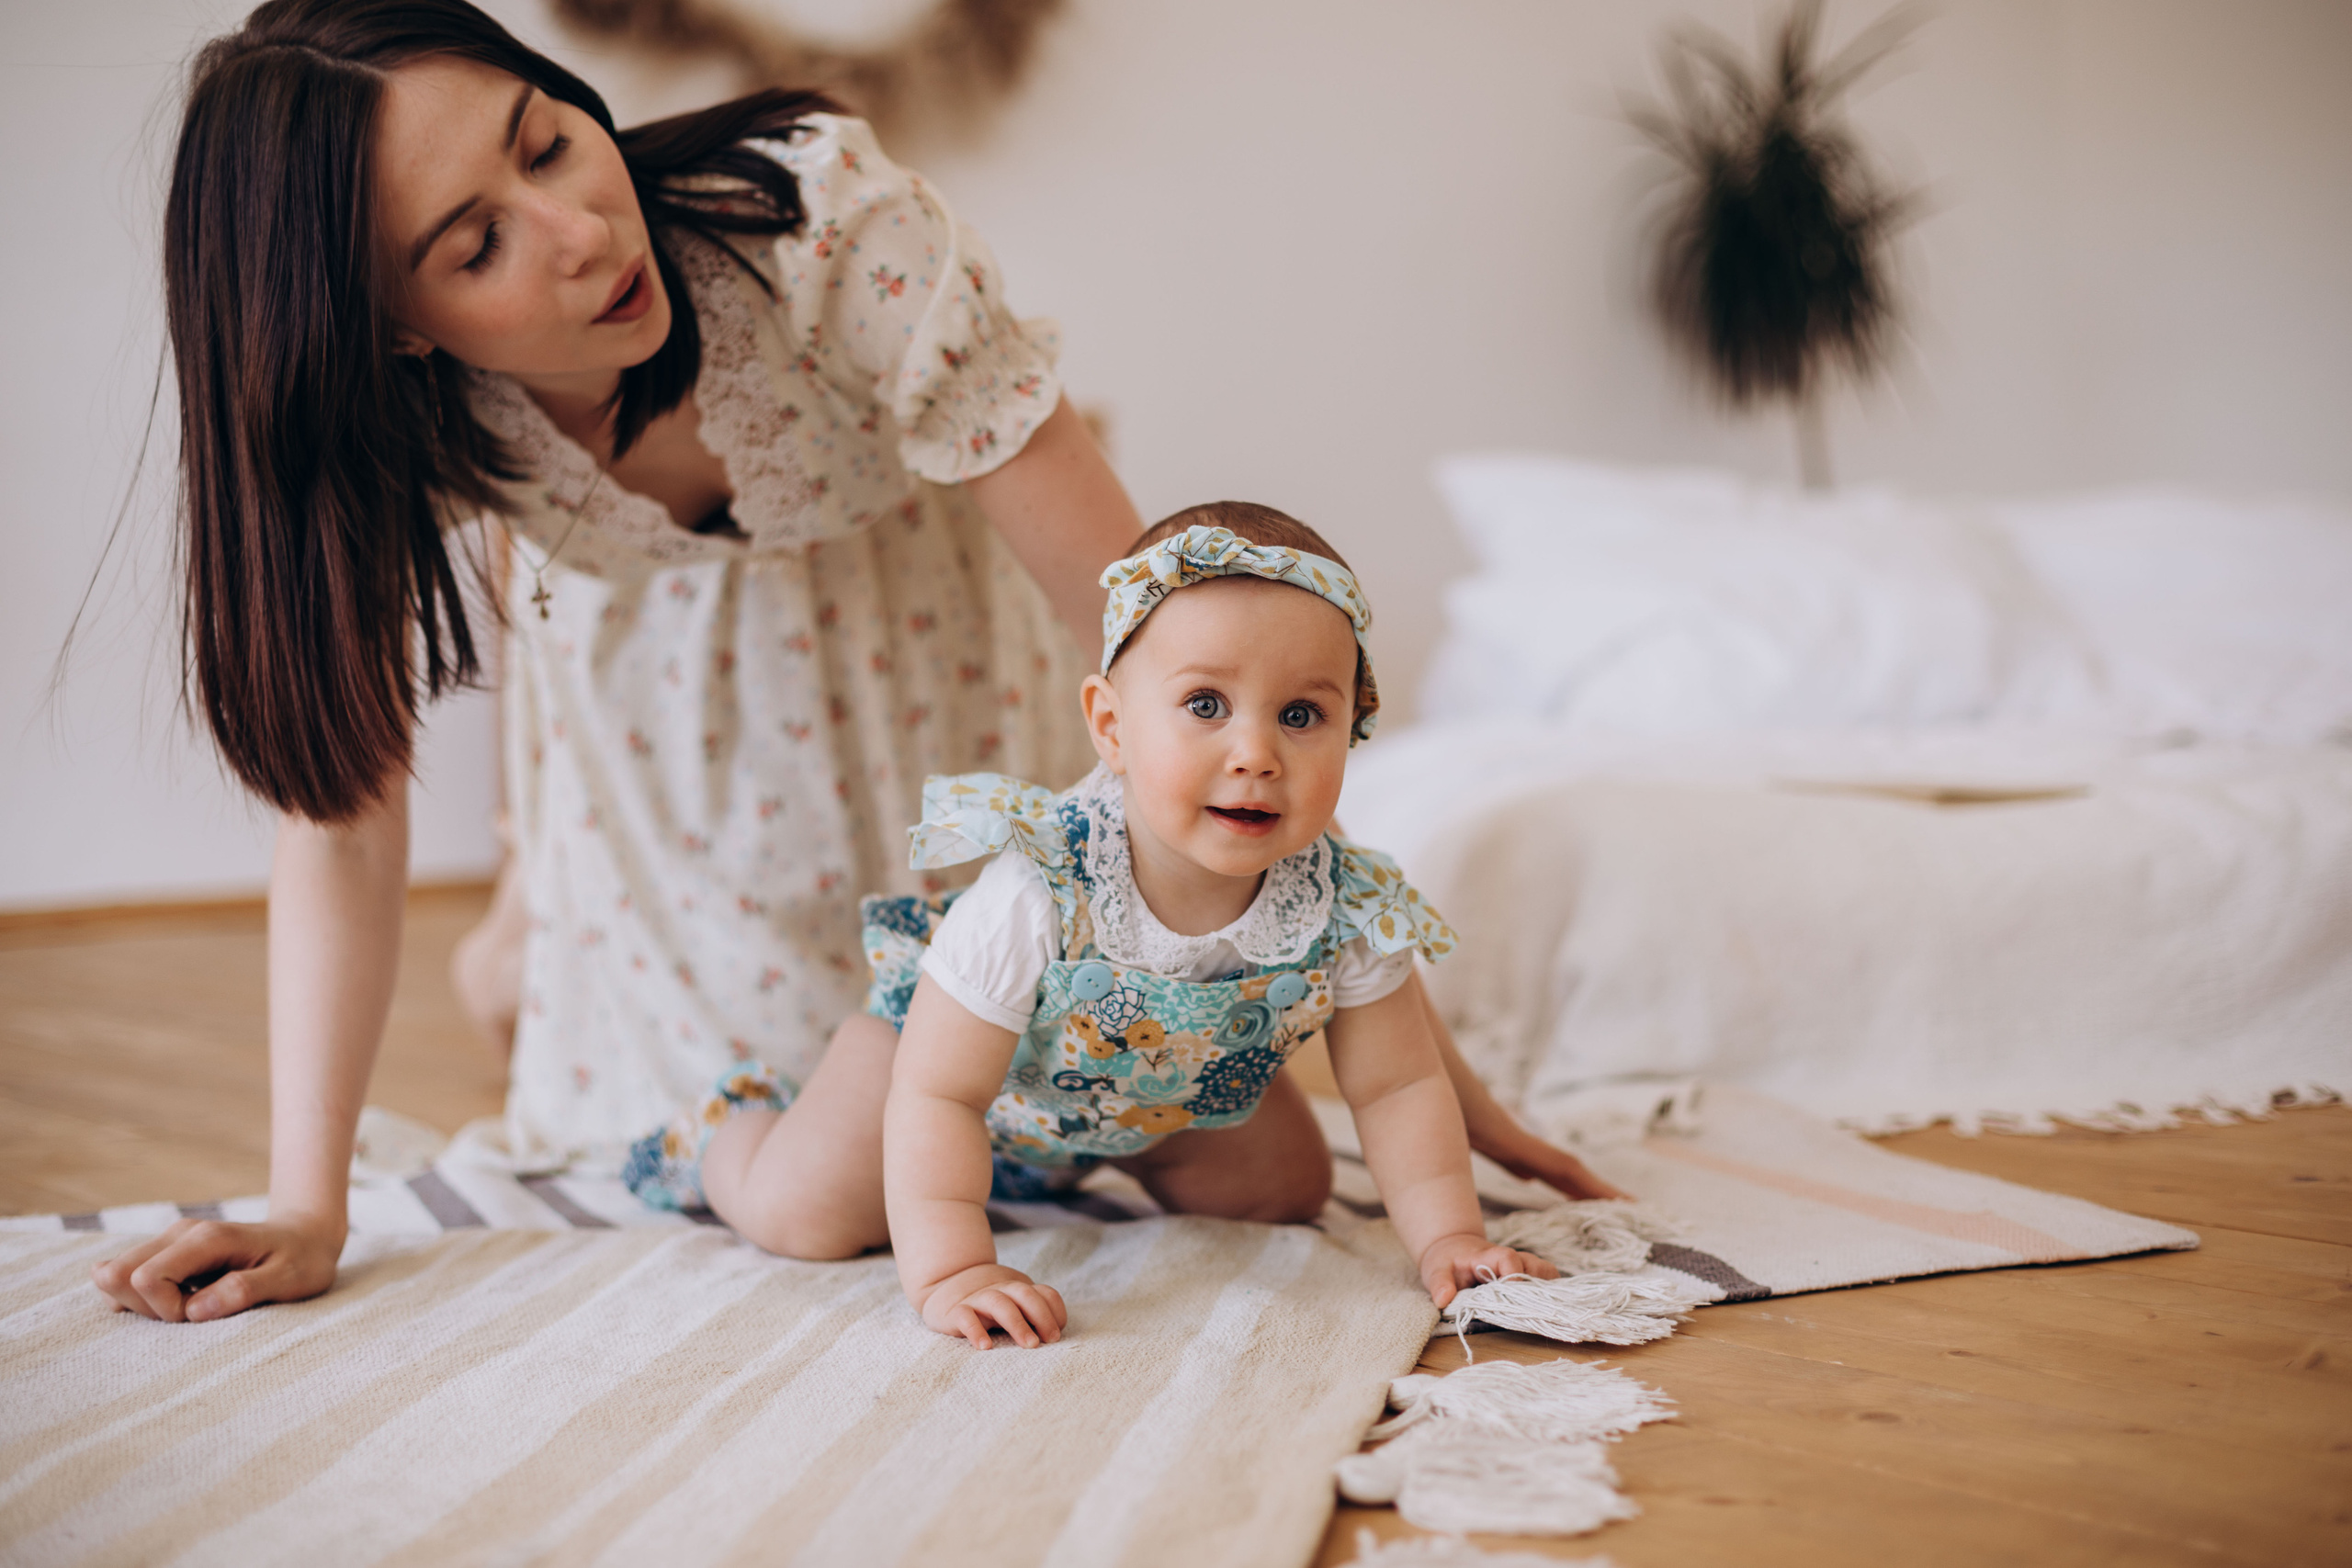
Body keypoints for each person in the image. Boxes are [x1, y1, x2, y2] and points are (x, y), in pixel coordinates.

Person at [92, 0, 1127, 1325]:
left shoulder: (828, 228)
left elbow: (1137, 620)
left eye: (545, 142)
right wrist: (309, 1198)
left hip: (929, 693)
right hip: (670, 765)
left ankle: (522, 941)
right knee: (806, 1170)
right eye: (478, 246)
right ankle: (537, 940)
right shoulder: (405, 418)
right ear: (395, 327)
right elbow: (341, 828)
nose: (583, 232)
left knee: (984, 1089)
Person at [627, 505, 1620, 1348]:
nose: (1255, 752)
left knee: (1282, 1188)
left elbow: (1400, 1081)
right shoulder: (1041, 889)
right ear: (1110, 724)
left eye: (1302, 716)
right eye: (1204, 704)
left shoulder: (1341, 900)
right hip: (938, 1081)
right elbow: (938, 1093)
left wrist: (1449, 1235)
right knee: (804, 1215)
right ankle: (727, 1135)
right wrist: (954, 1271)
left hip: (1149, 1110)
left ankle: (1111, 1161)